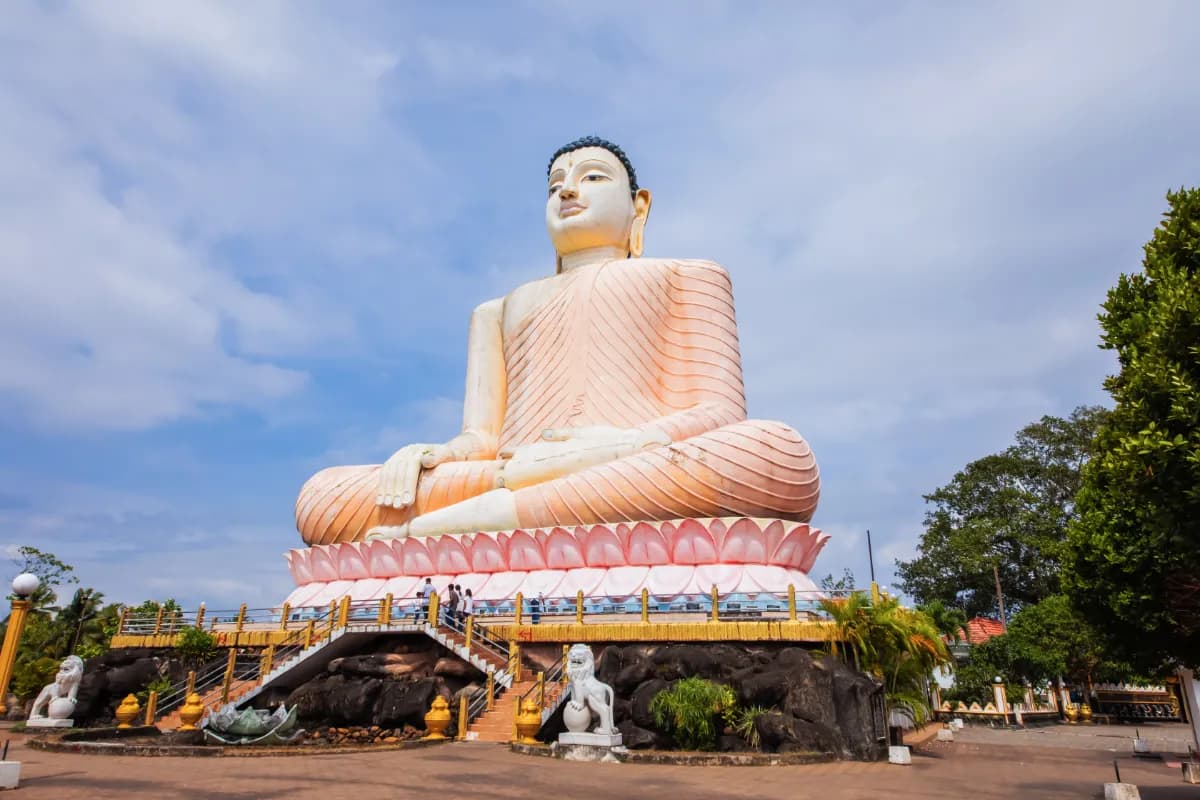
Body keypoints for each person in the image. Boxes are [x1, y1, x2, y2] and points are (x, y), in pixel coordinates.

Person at [295, 136, 820, 547]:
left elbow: (719, 414)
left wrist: (624, 445)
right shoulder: (497, 311)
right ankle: (494, 513)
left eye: (592, 178)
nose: (567, 192)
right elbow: (481, 439)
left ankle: (438, 533)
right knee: (322, 497)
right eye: (555, 185)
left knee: (776, 453)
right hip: (517, 472)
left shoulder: (689, 274)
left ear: (639, 205)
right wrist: (431, 456)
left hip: (636, 463)